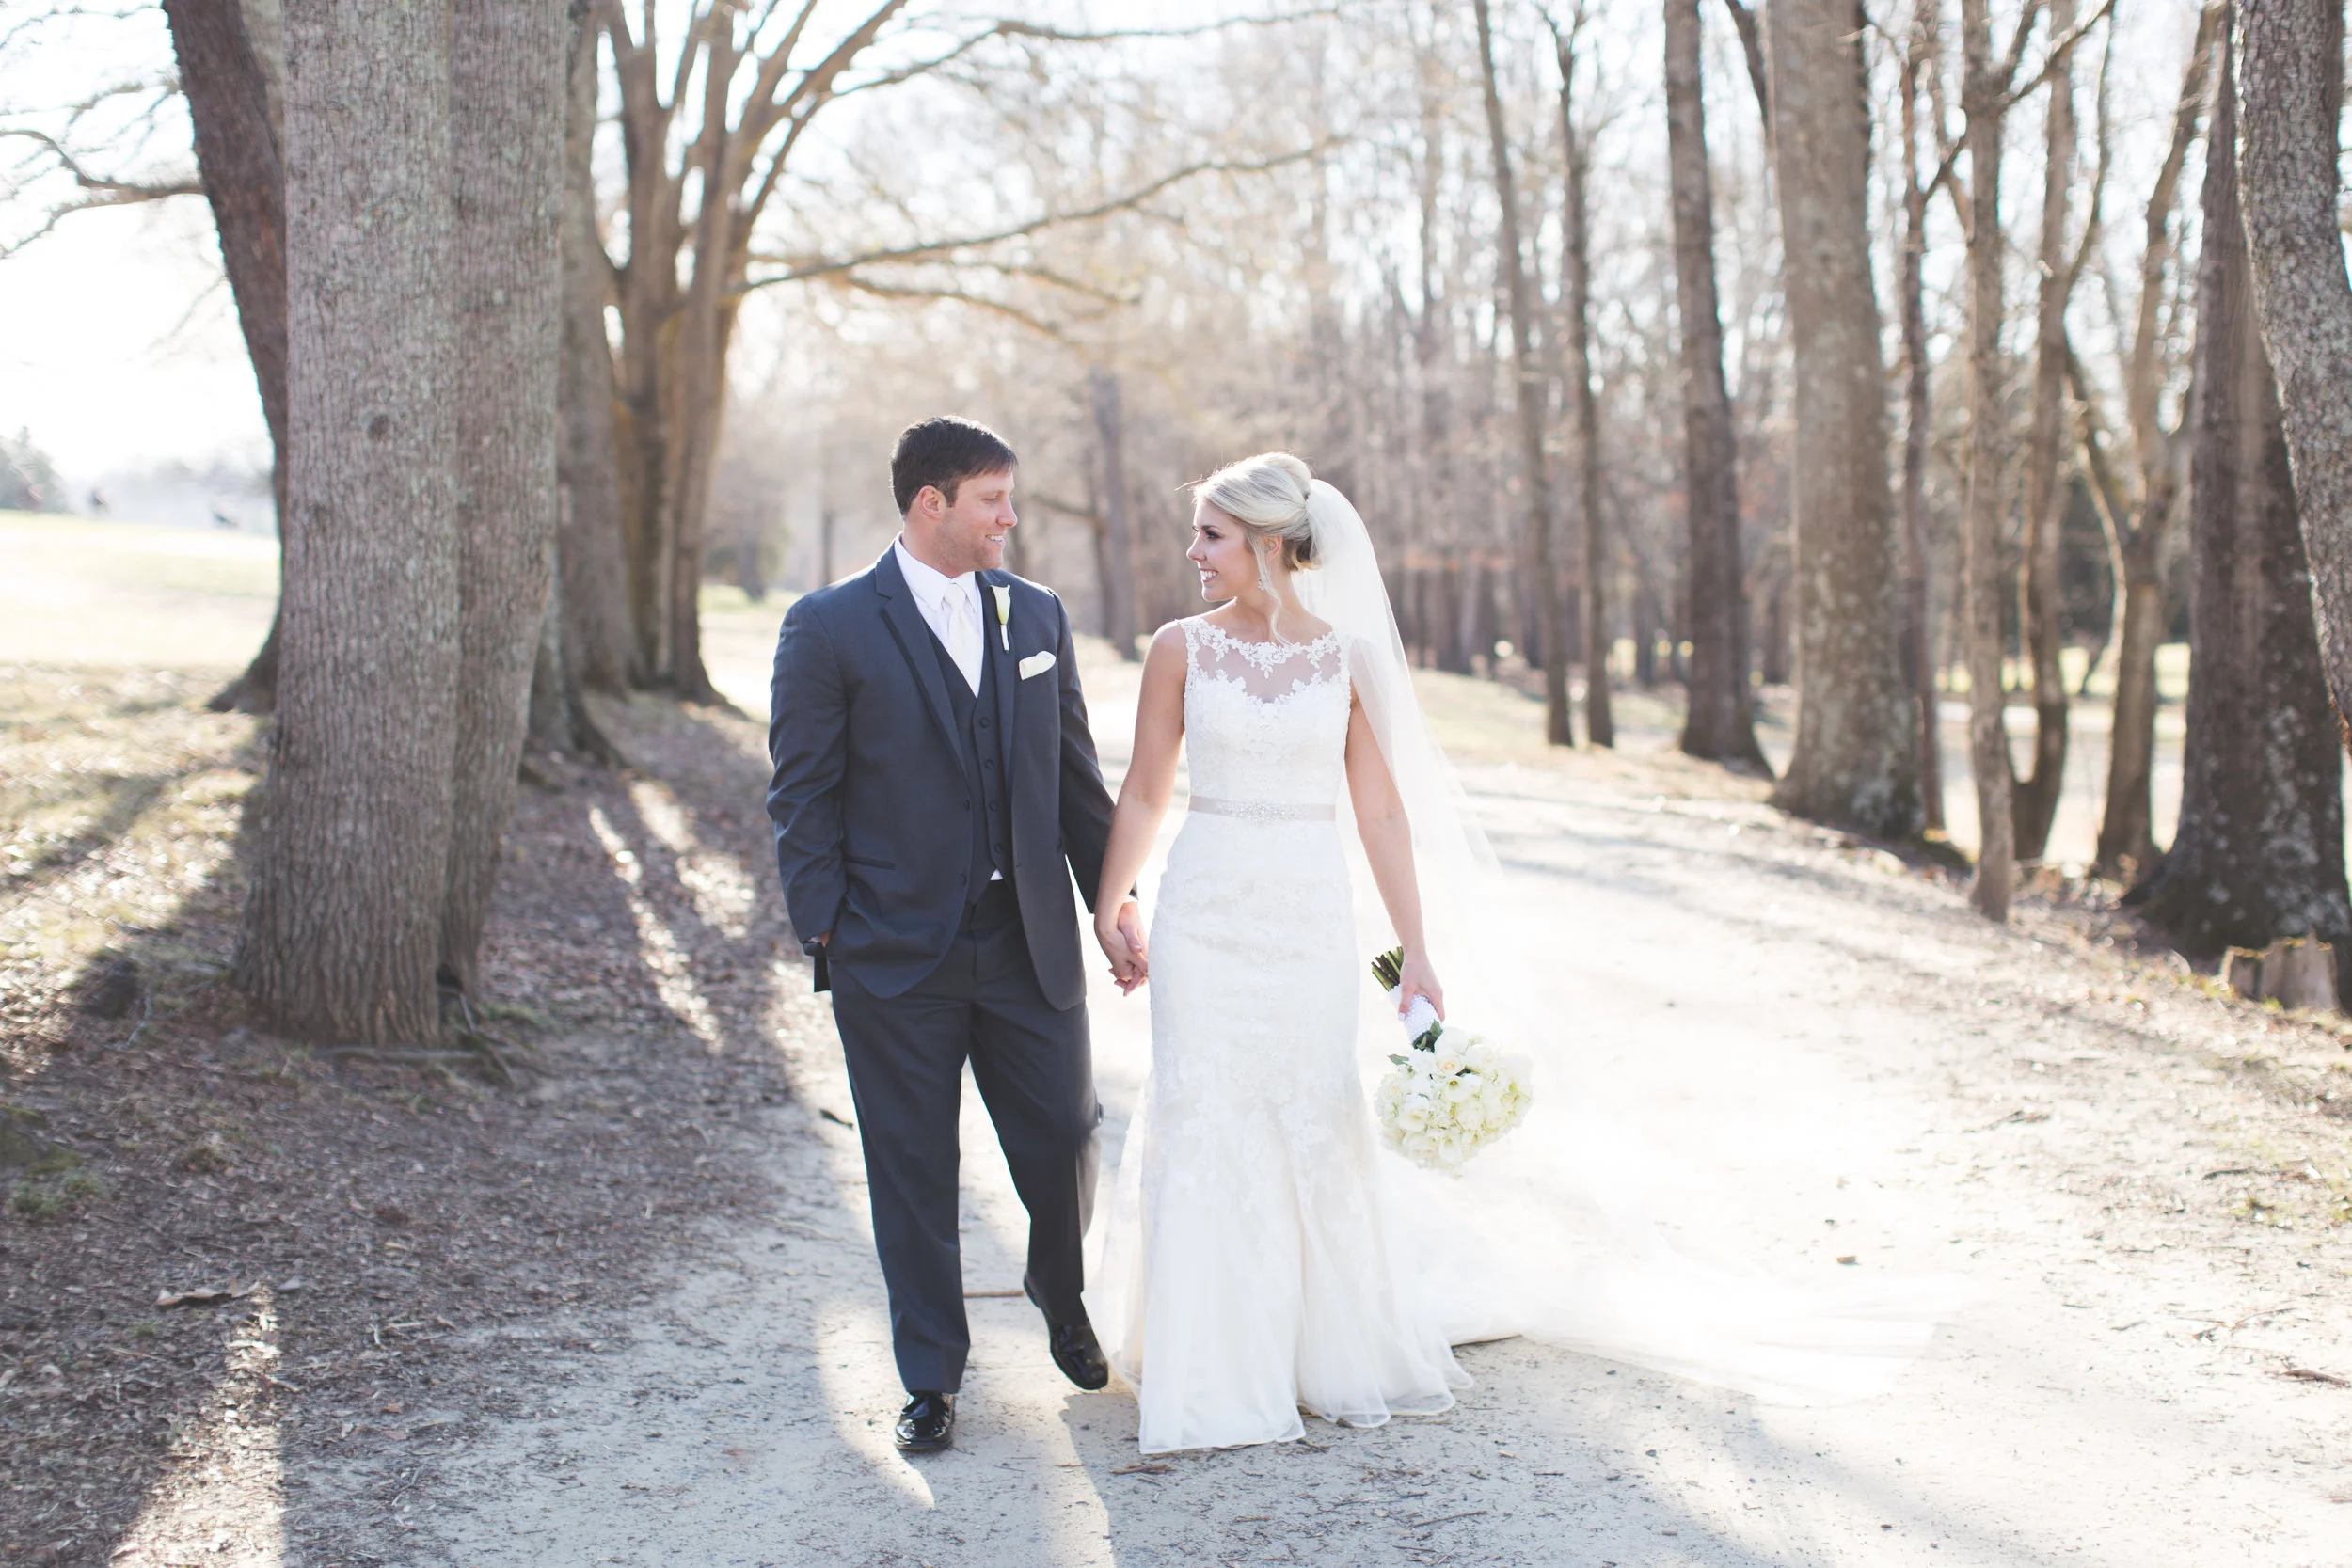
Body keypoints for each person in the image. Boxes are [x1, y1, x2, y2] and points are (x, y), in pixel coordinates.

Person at [1085, 452, 1961, 1456]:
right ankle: (1207, 1360)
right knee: (1203, 1104)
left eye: (1209, 534)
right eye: (1197, 532)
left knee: (1308, 1107)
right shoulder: (1177, 649)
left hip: (1303, 913)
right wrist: (1112, 900)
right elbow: (1148, 791)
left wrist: (1415, 948)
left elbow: (1376, 809)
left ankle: (1310, 1350)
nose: (1191, 552)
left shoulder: (1347, 659)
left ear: (1267, 543)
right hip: (1205, 909)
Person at [765, 416, 1146, 1454]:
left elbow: (1075, 780)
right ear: (929, 503)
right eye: (992, 500)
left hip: (1026, 941)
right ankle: (930, 1374)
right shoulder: (829, 625)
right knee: (911, 1166)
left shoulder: (1037, 617)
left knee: (1067, 1132)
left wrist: (1111, 904)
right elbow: (802, 796)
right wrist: (830, 930)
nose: (1009, 519)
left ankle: (1059, 1294)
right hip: (893, 951)